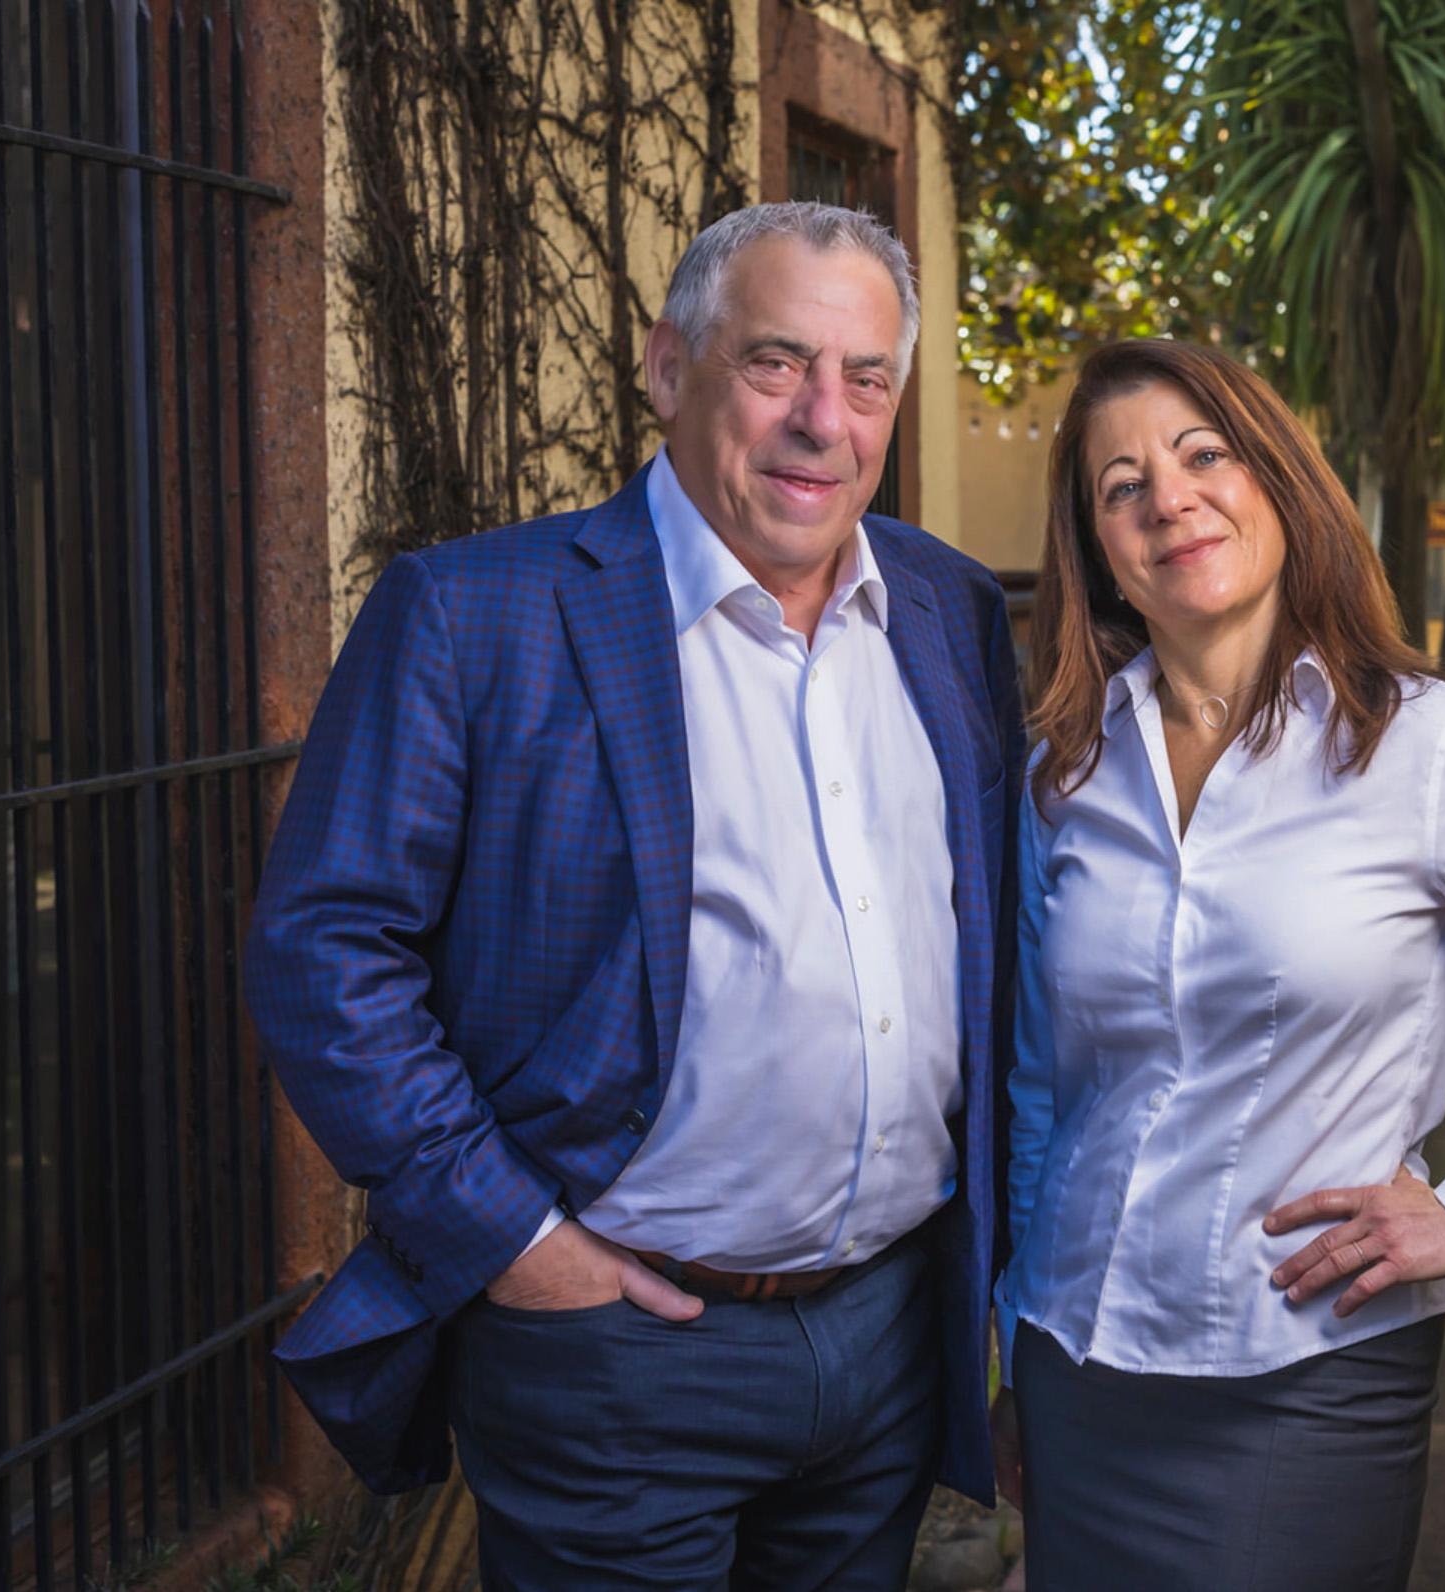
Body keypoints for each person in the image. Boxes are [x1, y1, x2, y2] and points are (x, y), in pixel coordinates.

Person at [245, 201, 1023, 1590]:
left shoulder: (947, 609)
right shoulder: (477, 612)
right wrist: (516, 1243)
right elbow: (325, 952)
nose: (822, 421)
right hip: (616, 1355)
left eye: (866, 379)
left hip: (892, 1339)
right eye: (777, 362)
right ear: (670, 367)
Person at [990, 339, 1445, 1590]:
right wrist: (1010, 1349)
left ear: (1276, 479)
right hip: (1077, 1365)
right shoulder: (1066, 772)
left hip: (1304, 1372)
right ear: (1096, 549)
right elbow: (1041, 1091)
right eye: (1120, 485)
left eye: (1201, 453)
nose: (1167, 498)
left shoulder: (1426, 746)